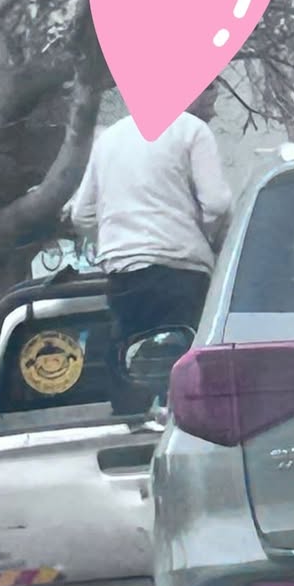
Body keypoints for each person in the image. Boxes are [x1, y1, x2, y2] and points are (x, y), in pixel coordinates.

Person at [70, 82, 233, 412]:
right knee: (187, 367)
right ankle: (185, 426)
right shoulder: (192, 130)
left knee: (131, 359)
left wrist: (112, 241)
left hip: (123, 273)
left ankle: (132, 424)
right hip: (181, 270)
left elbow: (81, 213)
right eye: (208, 88)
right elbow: (216, 204)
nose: (214, 100)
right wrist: (211, 240)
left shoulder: (109, 138)